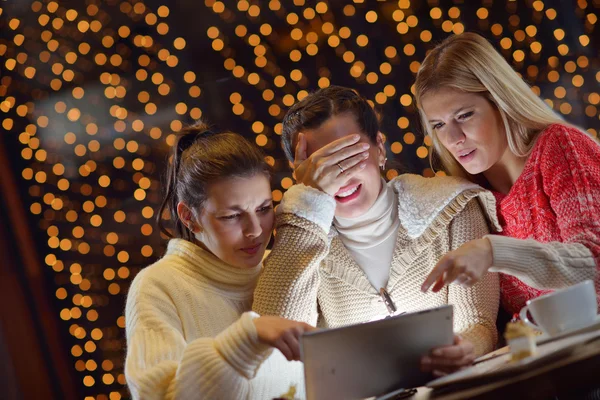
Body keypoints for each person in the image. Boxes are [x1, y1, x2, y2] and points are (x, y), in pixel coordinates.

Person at [253, 86, 501, 377]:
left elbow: (479, 323)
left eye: (349, 155)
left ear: (379, 148)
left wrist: (465, 348)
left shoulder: (453, 206)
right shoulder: (300, 243)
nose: (341, 177)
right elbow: (271, 350)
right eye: (323, 166)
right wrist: (308, 205)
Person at [415, 33, 600, 318]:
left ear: (501, 102)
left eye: (464, 116)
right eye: (438, 125)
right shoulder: (470, 197)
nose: (453, 138)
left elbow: (593, 264)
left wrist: (493, 251)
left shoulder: (560, 147)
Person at [124, 122, 312, 400]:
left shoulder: (284, 267)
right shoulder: (158, 287)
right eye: (231, 216)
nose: (255, 230)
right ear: (189, 217)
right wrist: (246, 338)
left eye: (263, 209)